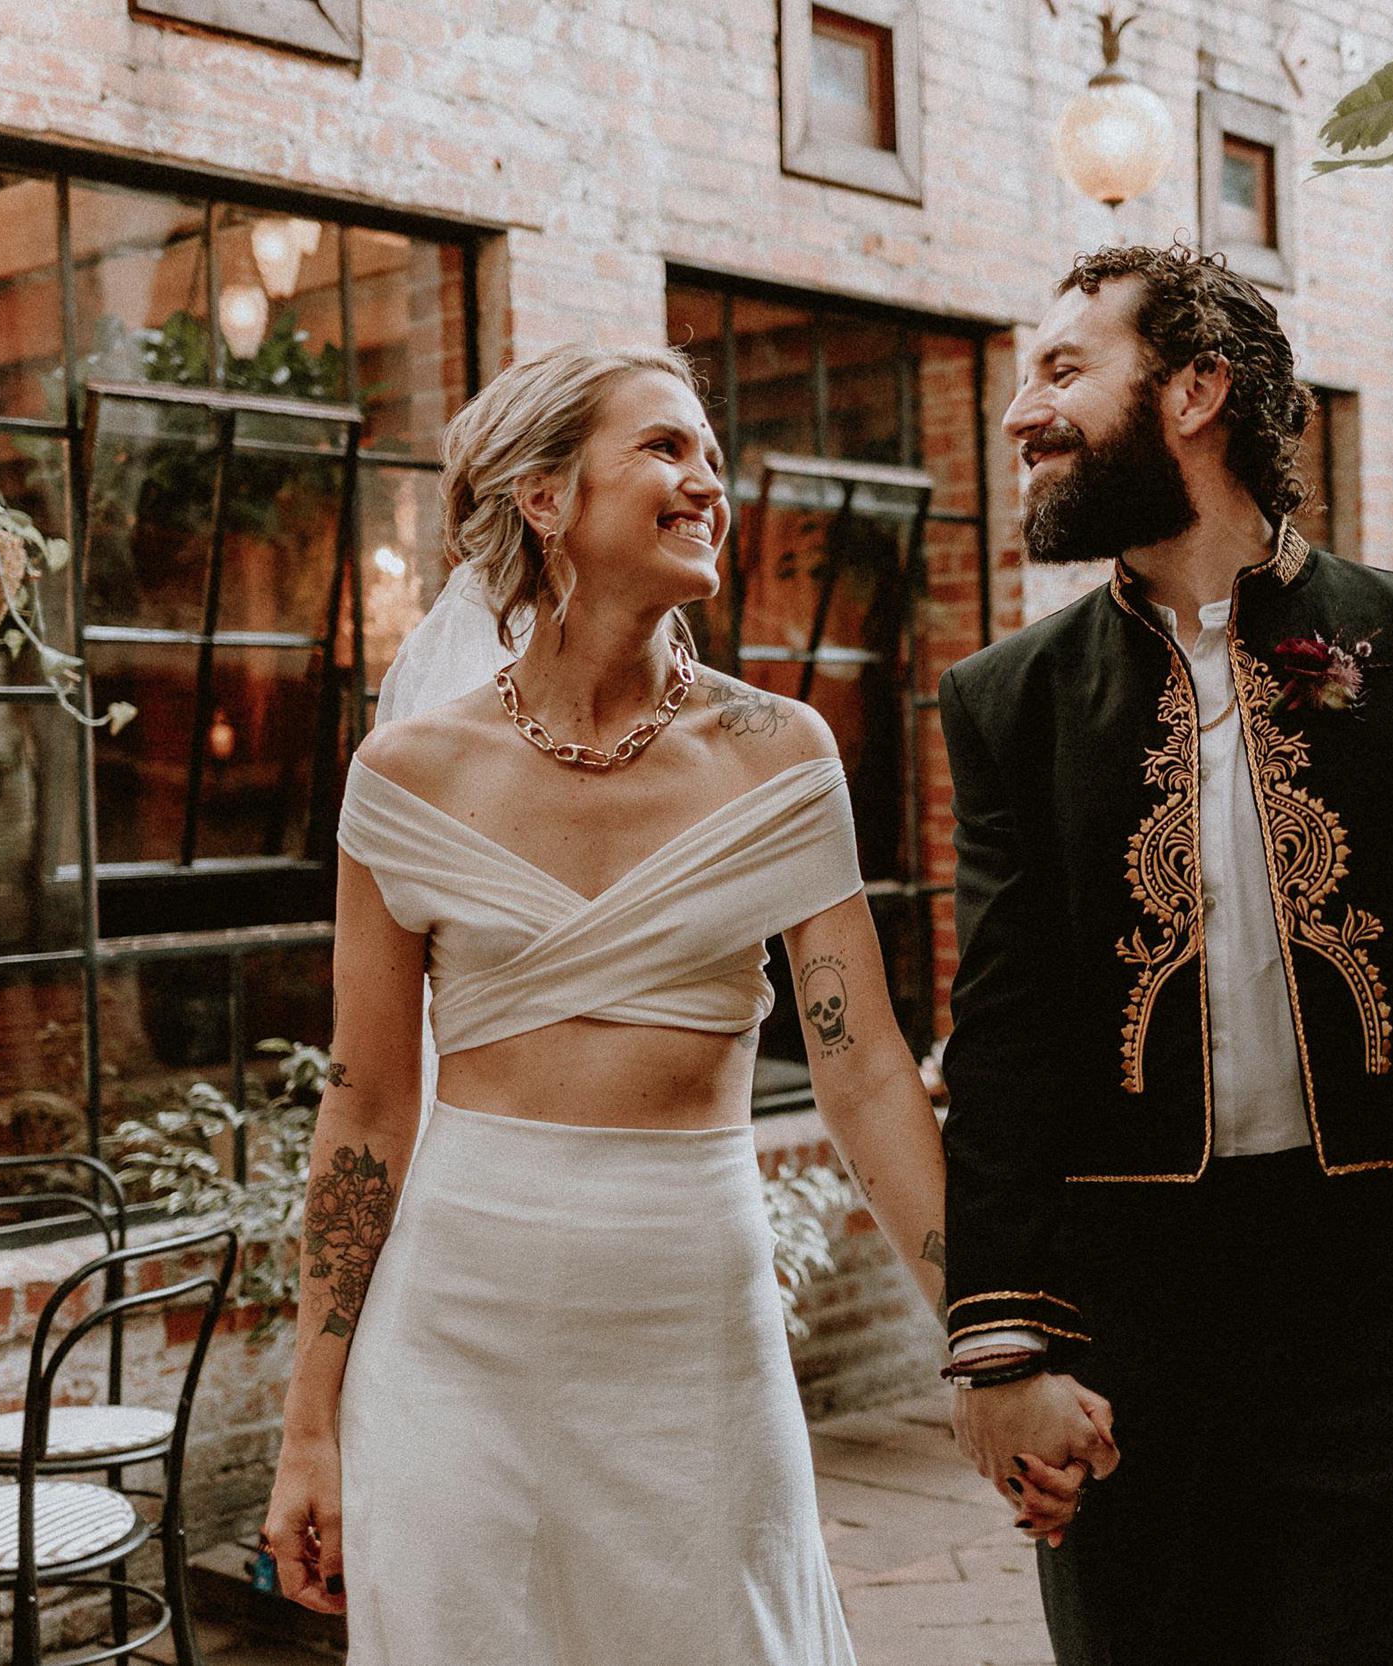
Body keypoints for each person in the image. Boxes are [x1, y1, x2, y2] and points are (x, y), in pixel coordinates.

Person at [257, 343, 1068, 1664]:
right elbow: (367, 1104)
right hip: (452, 1328)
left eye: (711, 453)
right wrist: (311, 1422)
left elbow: (863, 1076)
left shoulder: (777, 755)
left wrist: (990, 1348)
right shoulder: (405, 775)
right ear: (545, 498)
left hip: (690, 1319)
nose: (709, 481)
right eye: (665, 448)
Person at [935, 246, 1393, 1664]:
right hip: (1126, 1344)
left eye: (1064, 369)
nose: (1020, 412)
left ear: (1196, 388)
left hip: (1390, 1319)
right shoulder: (1009, 703)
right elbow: (1005, 1045)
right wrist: (1007, 1349)